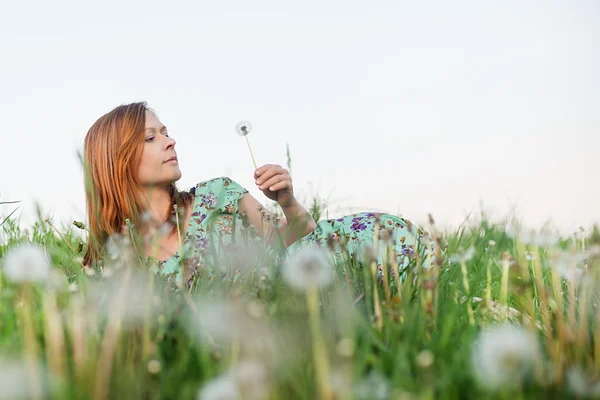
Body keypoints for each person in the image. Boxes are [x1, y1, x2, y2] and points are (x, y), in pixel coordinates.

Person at [82, 102, 432, 286]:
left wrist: (287, 203)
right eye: (150, 137)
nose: (170, 141)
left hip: (351, 255)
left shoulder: (218, 195)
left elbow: (295, 238)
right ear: (118, 161)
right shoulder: (116, 261)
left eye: (166, 132)